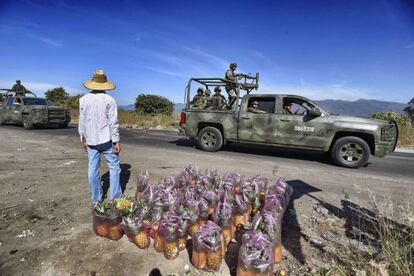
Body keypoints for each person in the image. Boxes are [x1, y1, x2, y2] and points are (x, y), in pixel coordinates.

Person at [78, 69, 122, 205]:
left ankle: (96, 199)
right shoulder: (110, 100)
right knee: (114, 167)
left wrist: (83, 138)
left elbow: (82, 121)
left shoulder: (83, 100)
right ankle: (115, 198)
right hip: (107, 140)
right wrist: (116, 141)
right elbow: (113, 122)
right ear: (105, 84)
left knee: (93, 168)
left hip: (91, 140)